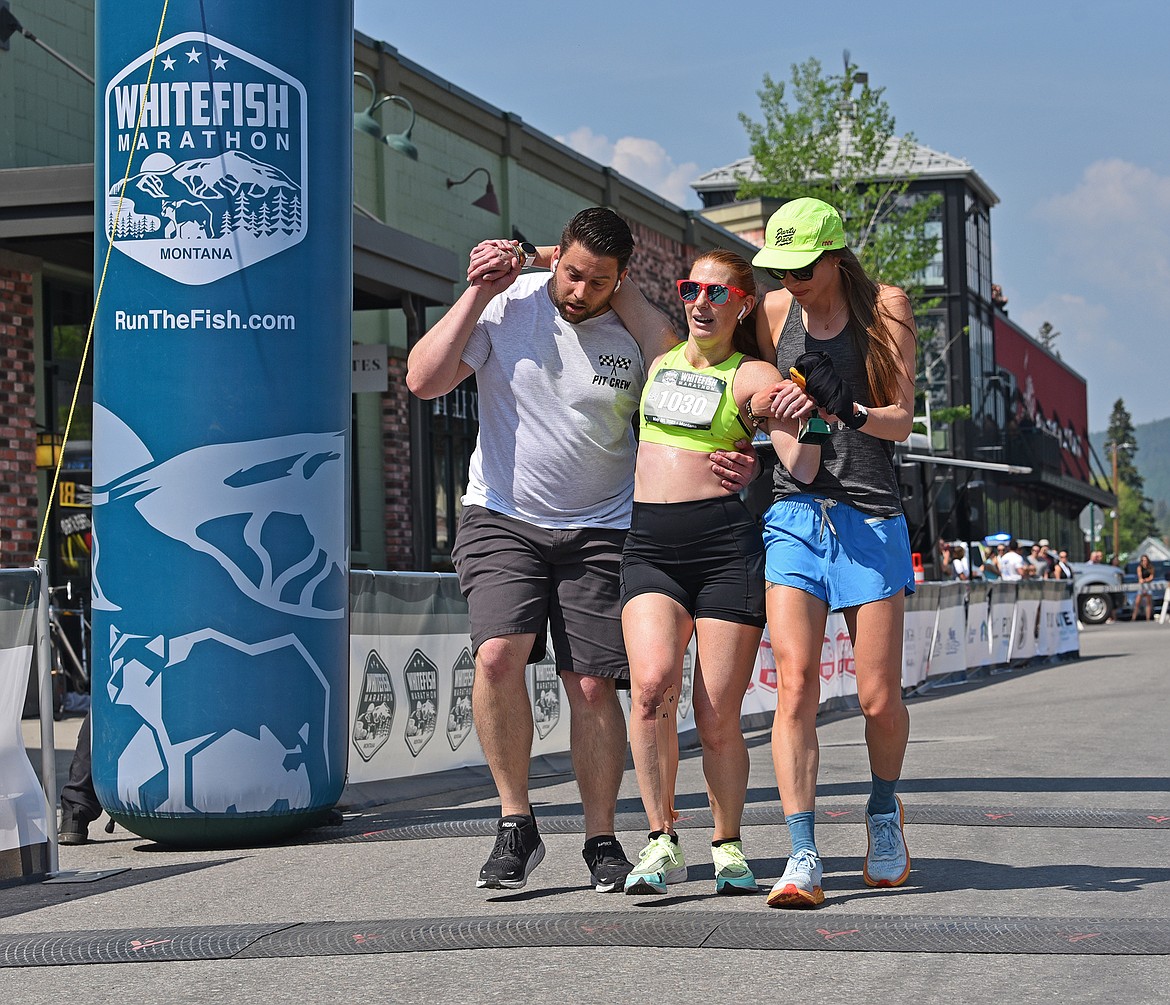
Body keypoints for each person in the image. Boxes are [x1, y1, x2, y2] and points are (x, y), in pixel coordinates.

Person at [405, 208, 757, 893]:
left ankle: (601, 837)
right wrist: (482, 283)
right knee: (498, 654)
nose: (577, 291)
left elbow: (698, 394)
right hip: (503, 512)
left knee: (594, 683)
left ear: (621, 279)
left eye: (598, 281)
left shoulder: (638, 329)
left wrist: (743, 458)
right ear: (554, 257)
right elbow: (423, 380)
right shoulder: (509, 304)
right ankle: (516, 822)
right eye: (569, 273)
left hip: (603, 523)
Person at [612, 250, 820, 896]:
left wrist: (782, 421)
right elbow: (601, 273)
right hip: (650, 546)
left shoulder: (749, 371)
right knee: (649, 688)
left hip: (724, 549)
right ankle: (659, 838)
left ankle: (727, 842)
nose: (700, 301)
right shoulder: (659, 349)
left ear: (743, 305)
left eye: (716, 292)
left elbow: (789, 436)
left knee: (715, 712)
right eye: (690, 288)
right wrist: (521, 255)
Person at [750, 198, 918, 908]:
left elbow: (903, 420)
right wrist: (758, 427)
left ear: (835, 256)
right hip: (794, 512)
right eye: (780, 268)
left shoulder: (886, 307)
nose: (791, 280)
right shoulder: (769, 313)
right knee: (795, 685)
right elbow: (752, 393)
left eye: (802, 267)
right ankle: (802, 851)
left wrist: (845, 410)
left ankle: (883, 810)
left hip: (872, 516)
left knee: (878, 698)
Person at [1132, 554, 1156, 622]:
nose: (1144, 561)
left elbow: (1151, 577)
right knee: (1137, 603)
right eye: (1143, 560)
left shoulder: (1151, 567)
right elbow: (1140, 578)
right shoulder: (1139, 567)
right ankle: (1133, 618)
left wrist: (1145, 580)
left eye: (1145, 560)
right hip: (1141, 586)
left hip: (1148, 585)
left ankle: (1148, 618)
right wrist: (1142, 580)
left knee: (1148, 603)